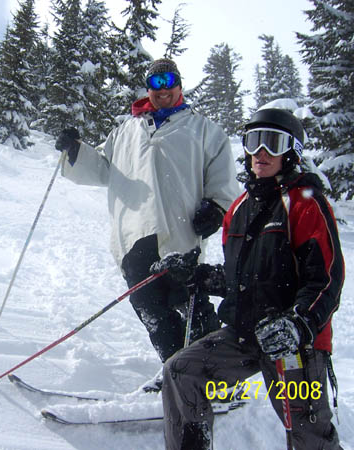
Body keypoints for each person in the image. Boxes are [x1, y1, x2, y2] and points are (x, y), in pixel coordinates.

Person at [161, 108, 344, 449]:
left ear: (292, 152)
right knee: (182, 372)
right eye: (254, 142)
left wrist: (298, 323)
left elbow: (327, 280)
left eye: (273, 144)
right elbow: (241, 281)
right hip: (246, 335)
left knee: (308, 434)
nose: (261, 153)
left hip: (295, 345)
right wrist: (199, 277)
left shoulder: (304, 204)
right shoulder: (239, 208)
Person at [54, 58, 241, 382]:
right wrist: (74, 151)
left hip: (180, 232)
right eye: (155, 82)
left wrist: (216, 207)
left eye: (169, 80)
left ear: (180, 84)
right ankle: (179, 374)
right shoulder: (126, 131)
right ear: (148, 88)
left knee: (189, 304)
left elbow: (224, 180)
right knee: (151, 309)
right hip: (134, 234)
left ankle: (220, 377)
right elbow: (101, 168)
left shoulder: (204, 130)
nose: (163, 89)